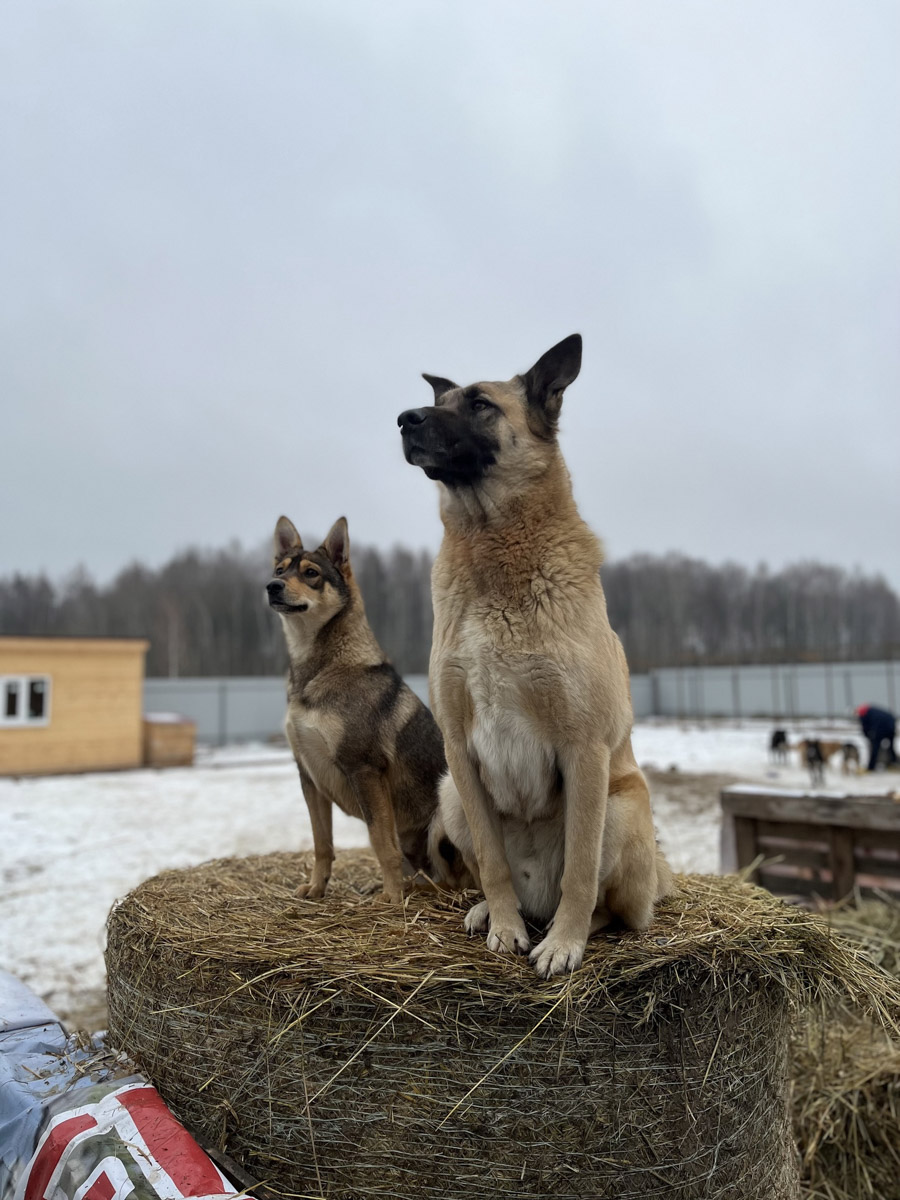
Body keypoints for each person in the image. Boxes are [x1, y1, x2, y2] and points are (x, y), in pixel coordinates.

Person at [856, 705, 898, 772]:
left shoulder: (864, 714)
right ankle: (893, 763)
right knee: (891, 747)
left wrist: (869, 736)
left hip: (880, 729)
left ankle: (871, 767)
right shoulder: (872, 710)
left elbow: (865, 727)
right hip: (891, 726)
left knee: (875, 748)